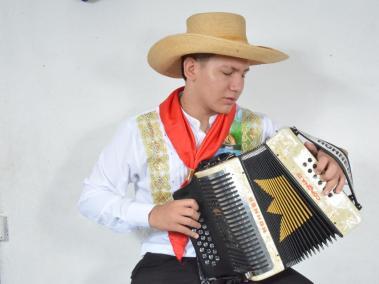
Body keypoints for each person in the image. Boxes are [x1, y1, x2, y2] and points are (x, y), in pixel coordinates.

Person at [78, 12, 346, 284]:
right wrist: (151, 214)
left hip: (251, 263)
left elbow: (313, 157)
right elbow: (92, 197)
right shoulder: (140, 129)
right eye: (227, 72)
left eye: (243, 74)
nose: (237, 86)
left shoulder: (259, 126)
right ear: (191, 69)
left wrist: (329, 159)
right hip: (171, 260)